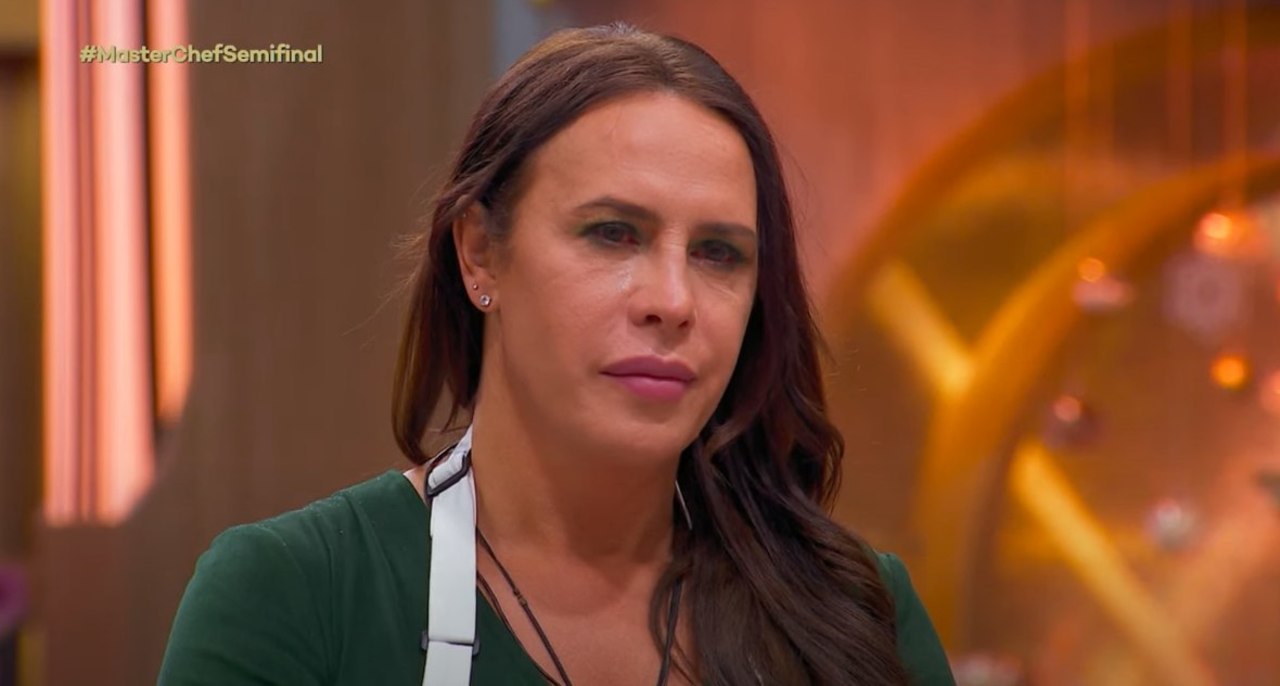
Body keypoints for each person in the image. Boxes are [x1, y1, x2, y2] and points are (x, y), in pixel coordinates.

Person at [158, 22, 956, 686]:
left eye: (719, 253)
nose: (672, 301)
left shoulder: (854, 614)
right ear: (479, 254)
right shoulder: (298, 597)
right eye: (614, 234)